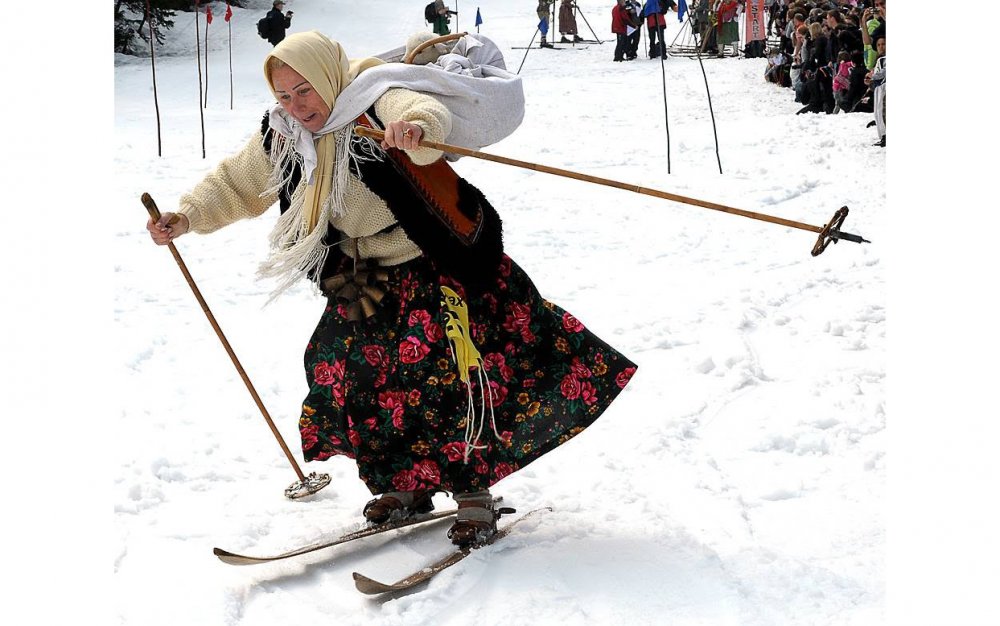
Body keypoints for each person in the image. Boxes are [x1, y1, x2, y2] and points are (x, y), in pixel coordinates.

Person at [146, 31, 637, 547]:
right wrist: (186, 217)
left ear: (329, 76)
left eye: (305, 91)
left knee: (450, 381)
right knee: (350, 373)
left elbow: (421, 110)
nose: (296, 105)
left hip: (432, 264)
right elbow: (238, 183)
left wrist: (416, 129)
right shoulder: (284, 132)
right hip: (365, 279)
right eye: (284, 95)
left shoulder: (375, 98)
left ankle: (472, 493)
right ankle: (404, 486)